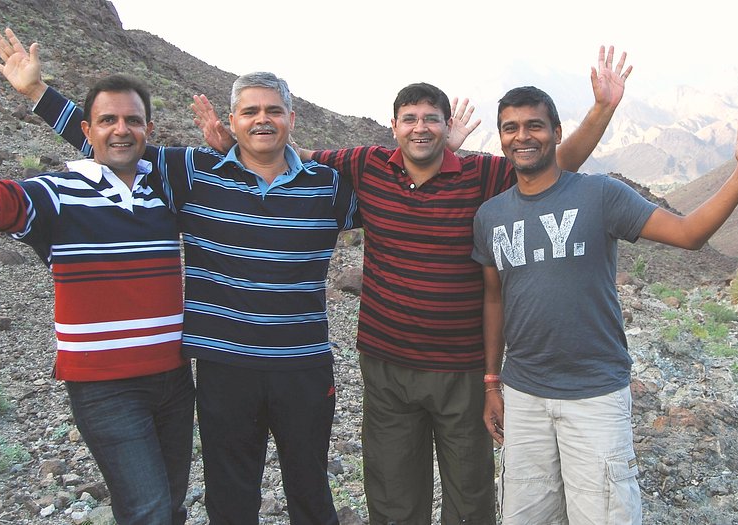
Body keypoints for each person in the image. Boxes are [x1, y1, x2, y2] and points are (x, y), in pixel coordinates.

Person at [192, 47, 630, 524]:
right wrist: (233, 145)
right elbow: (292, 157)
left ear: (447, 127)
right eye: (410, 119)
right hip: (386, 365)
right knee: (393, 491)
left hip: (460, 367)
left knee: (469, 493)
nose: (420, 127)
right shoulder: (364, 164)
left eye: (432, 119)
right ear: (394, 126)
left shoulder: (482, 174)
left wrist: (602, 109)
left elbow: (554, 163)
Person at [0, 28, 358, 524]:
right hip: (224, 368)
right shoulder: (193, 173)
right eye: (250, 111)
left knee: (311, 488)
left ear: (292, 119)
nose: (262, 120)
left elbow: (401, 204)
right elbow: (110, 139)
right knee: (230, 492)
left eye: (273, 111)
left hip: (304, 365)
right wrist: (36, 93)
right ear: (232, 121)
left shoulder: (329, 186)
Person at [471, 86, 738, 524]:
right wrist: (493, 382)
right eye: (511, 128)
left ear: (556, 132)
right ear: (501, 137)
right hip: (524, 395)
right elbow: (494, 298)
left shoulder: (599, 194)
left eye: (534, 125)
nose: (522, 136)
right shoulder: (490, 215)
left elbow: (689, 234)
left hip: (595, 395)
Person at [0, 73, 195, 525]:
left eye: (133, 120)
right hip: (106, 388)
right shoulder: (55, 194)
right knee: (147, 509)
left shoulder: (163, 193)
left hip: (175, 379)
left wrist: (39, 94)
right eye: (107, 120)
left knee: (171, 503)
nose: (121, 129)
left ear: (148, 130)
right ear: (86, 130)